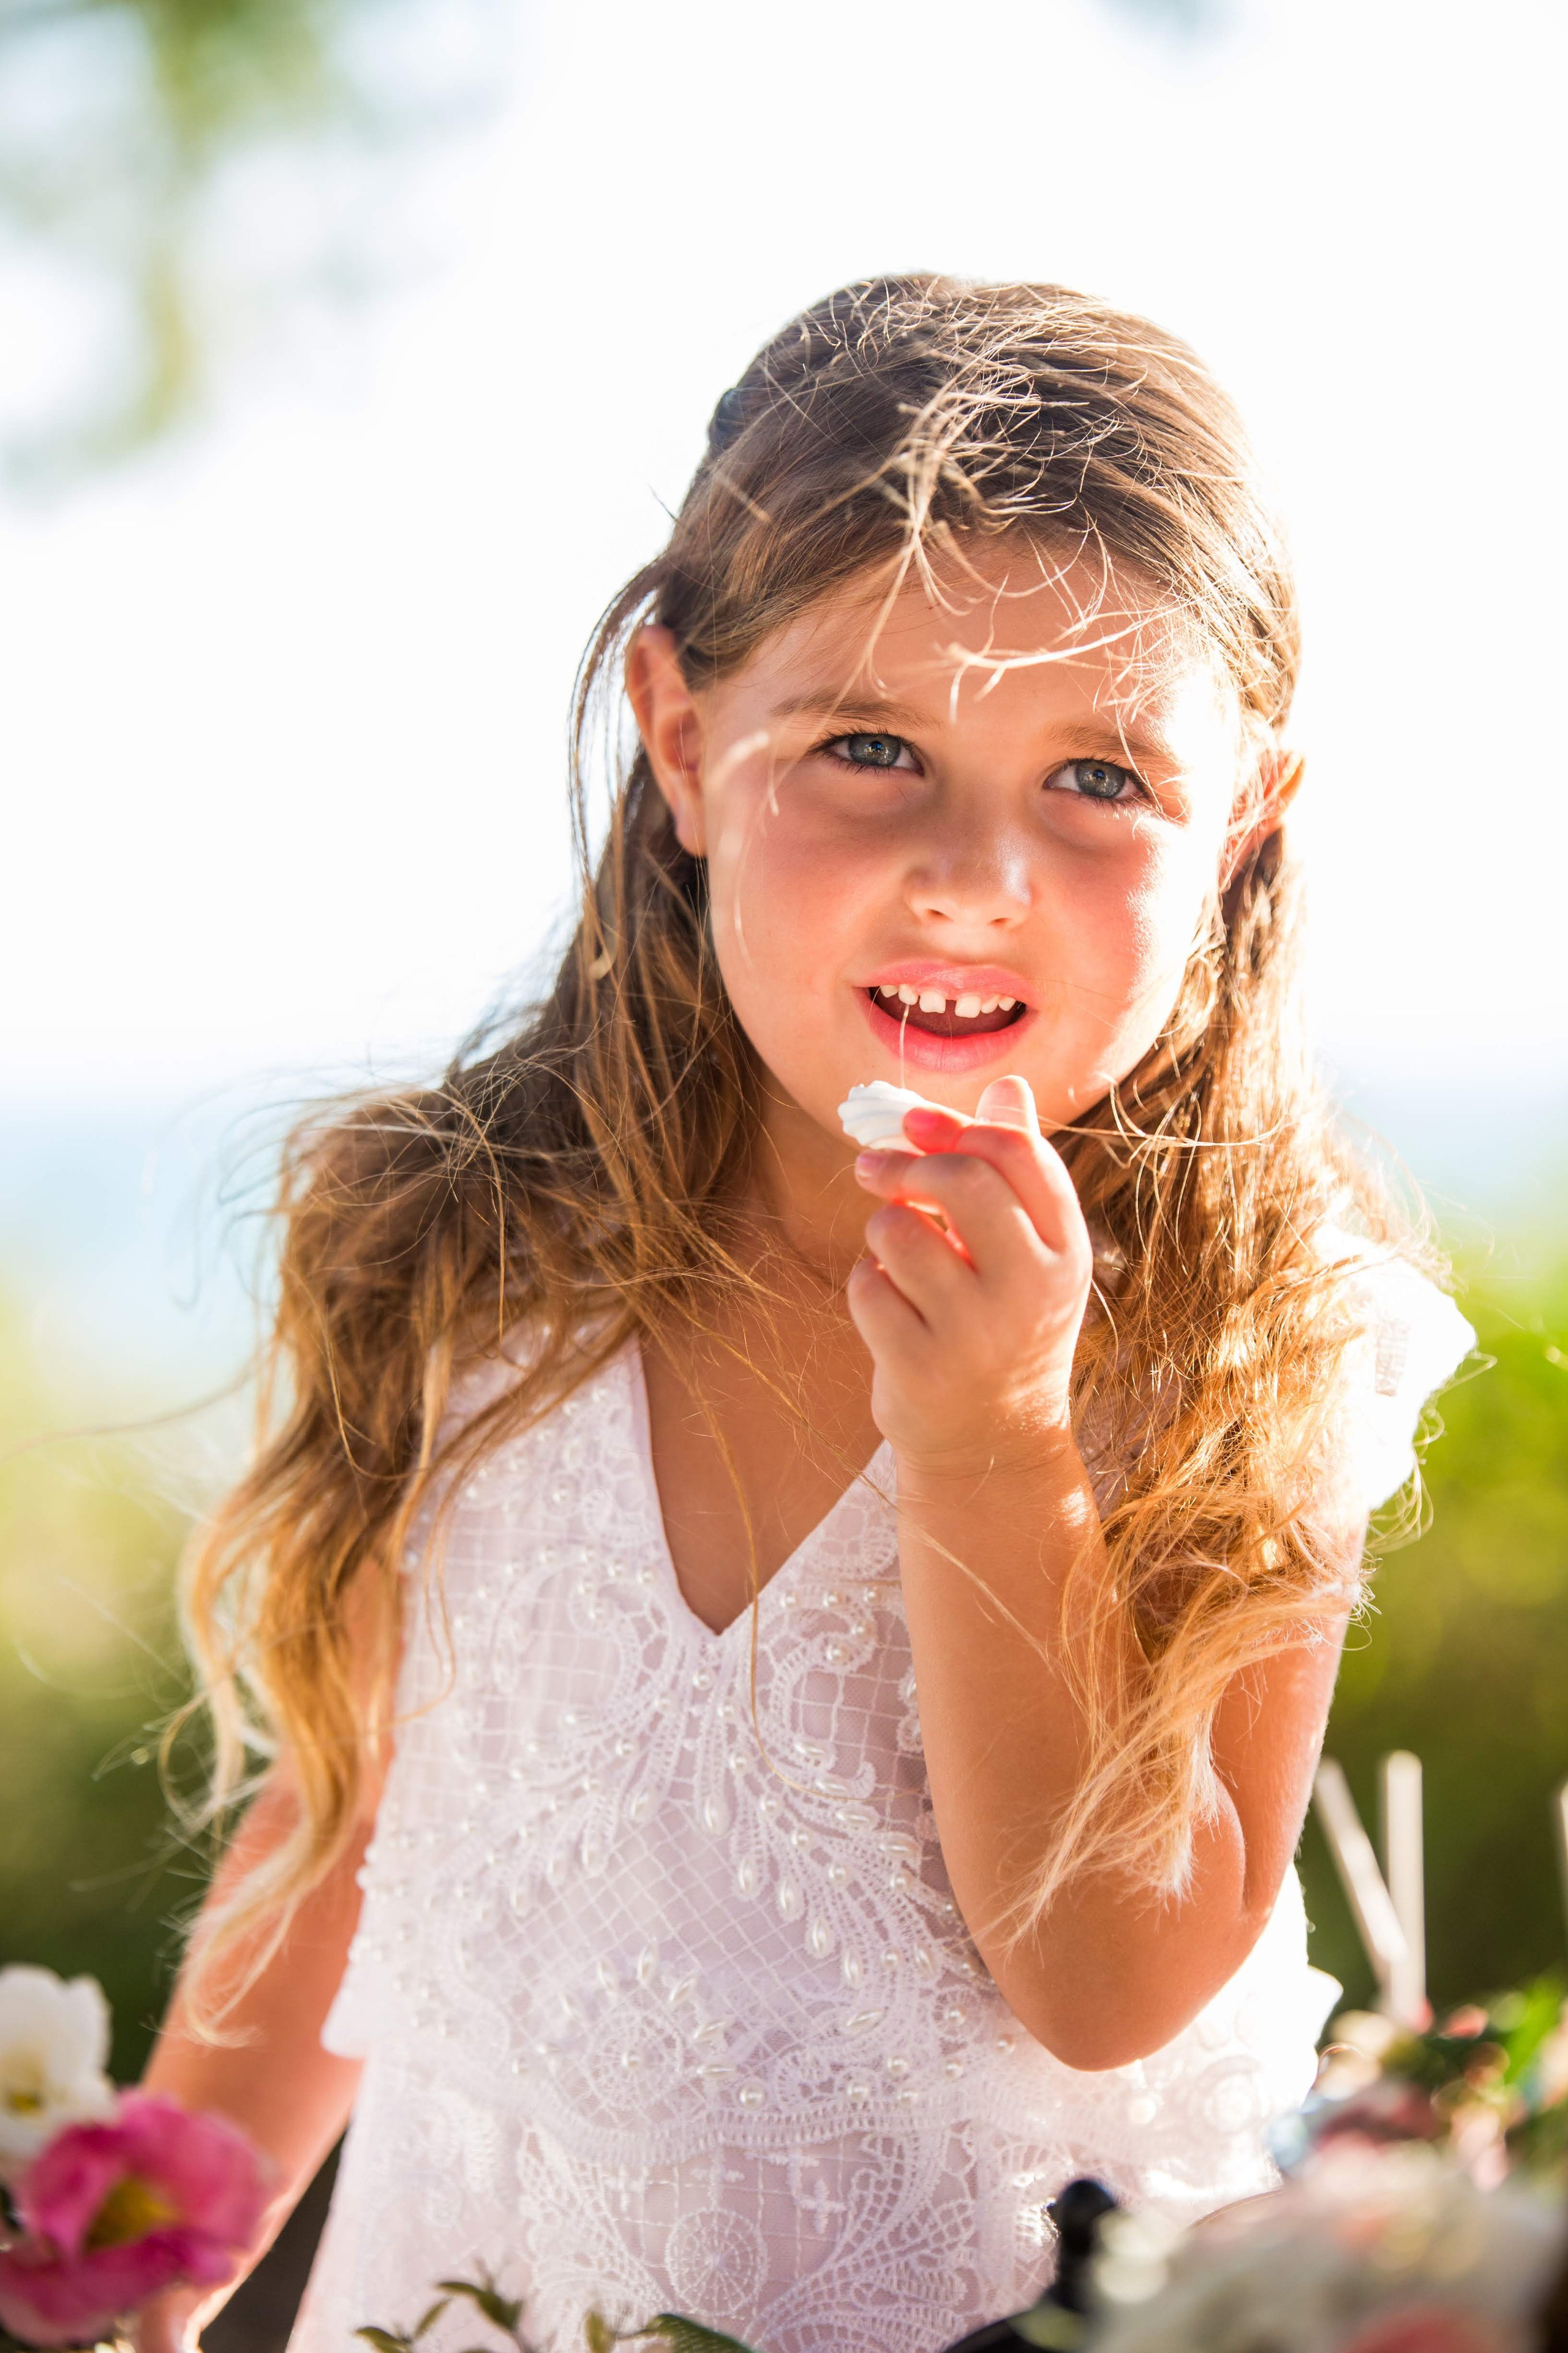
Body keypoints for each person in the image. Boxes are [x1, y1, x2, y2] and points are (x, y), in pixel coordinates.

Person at [138, 277, 1473, 2353]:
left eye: (1100, 778)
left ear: (1246, 818)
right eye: (871, 746)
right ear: (684, 739)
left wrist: (992, 1441)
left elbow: (1111, 1980)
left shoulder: (1248, 1341)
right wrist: (132, 2261)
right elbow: (349, 1858)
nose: (972, 873)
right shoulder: (474, 1257)